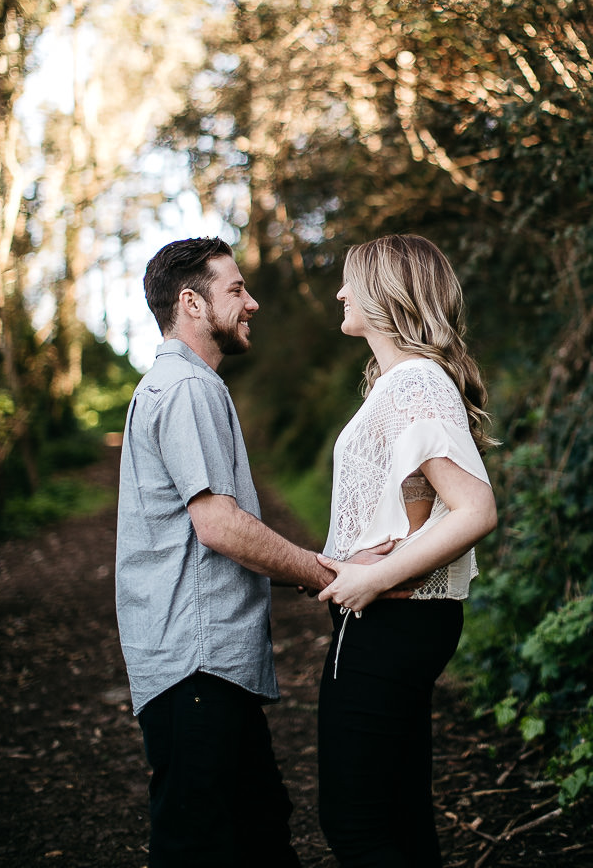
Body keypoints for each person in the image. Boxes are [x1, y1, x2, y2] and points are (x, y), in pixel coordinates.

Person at [115, 236, 353, 868]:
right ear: (192, 303)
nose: (253, 302)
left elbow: (206, 541)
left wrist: (305, 569)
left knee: (258, 832)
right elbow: (218, 527)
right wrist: (324, 571)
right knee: (201, 845)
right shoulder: (187, 389)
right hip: (198, 663)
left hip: (205, 662)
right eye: (236, 290)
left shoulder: (178, 386)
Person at [315, 233, 498, 868]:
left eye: (350, 281)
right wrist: (398, 546)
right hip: (405, 619)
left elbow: (476, 508)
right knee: (399, 813)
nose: (339, 292)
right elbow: (421, 498)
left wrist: (374, 578)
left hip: (387, 620)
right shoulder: (407, 383)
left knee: (356, 823)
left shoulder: (414, 382)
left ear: (386, 294)